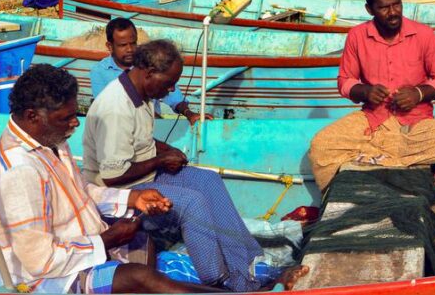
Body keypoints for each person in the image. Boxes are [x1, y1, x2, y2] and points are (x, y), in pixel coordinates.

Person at [82, 40, 306, 291]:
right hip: (120, 194)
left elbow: (136, 140)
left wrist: (165, 150)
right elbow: (114, 175)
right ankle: (223, 281)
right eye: (168, 83)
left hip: (144, 177)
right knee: (192, 203)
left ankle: (250, 264)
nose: (172, 89)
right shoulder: (116, 108)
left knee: (208, 180)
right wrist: (161, 160)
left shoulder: (141, 93)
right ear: (148, 74)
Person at [0, 64, 219, 294]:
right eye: (66, 118)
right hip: (47, 281)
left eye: (75, 115)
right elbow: (41, 262)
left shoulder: (51, 138)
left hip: (81, 249)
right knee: (140, 277)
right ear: (33, 116)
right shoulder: (19, 172)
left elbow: (80, 191)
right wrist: (106, 240)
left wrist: (133, 198)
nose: (75, 123)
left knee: (146, 244)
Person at [308, 0, 435, 188]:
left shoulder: (424, 34)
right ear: (370, 10)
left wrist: (418, 93)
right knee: (320, 146)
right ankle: (384, 157)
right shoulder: (357, 36)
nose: (393, 13)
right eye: (384, 8)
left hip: (415, 124)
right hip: (372, 120)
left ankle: (373, 158)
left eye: (397, 4)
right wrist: (365, 91)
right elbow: (344, 81)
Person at [89, 18, 211, 125]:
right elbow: (106, 110)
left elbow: (174, 96)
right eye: (123, 45)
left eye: (133, 43)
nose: (130, 49)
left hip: (154, 125)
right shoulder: (99, 71)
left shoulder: (147, 62)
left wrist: (189, 113)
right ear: (110, 46)